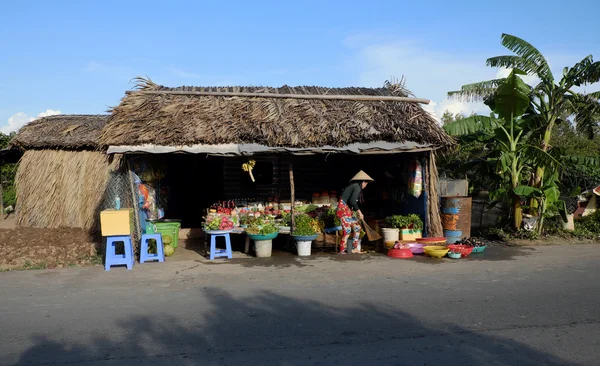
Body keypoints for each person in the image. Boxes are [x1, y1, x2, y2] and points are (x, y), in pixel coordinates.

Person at [337, 171, 374, 254]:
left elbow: (351, 202)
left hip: (347, 210)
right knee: (347, 231)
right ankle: (342, 250)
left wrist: (354, 212)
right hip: (342, 210)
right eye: (366, 183)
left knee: (357, 227)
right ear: (363, 182)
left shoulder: (354, 186)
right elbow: (353, 201)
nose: (365, 186)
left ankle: (355, 248)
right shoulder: (356, 187)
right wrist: (360, 212)